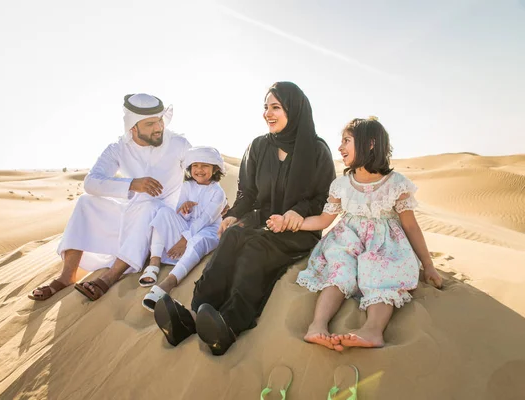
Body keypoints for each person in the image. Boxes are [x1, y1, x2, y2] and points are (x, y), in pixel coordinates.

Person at [153, 82, 336, 355]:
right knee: (233, 236)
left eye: (275, 107)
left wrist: (296, 212)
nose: (267, 113)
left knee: (254, 247)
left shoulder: (317, 150)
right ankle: (193, 315)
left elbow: (324, 197)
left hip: (299, 229)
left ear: (294, 109)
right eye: (265, 107)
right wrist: (233, 215)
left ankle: (230, 323)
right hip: (260, 219)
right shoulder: (259, 147)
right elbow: (247, 193)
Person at [270, 117, 443, 350]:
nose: (340, 147)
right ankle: (317, 325)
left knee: (380, 273)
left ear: (370, 144)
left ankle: (372, 330)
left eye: (346, 141)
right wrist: (291, 223)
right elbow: (324, 220)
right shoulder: (341, 185)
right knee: (340, 270)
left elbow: (411, 226)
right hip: (346, 239)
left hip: (384, 243)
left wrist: (428, 265)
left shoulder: (396, 184)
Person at [28, 93, 191, 301]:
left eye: (159, 121)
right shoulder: (118, 149)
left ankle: (110, 277)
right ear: (133, 127)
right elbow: (91, 183)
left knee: (148, 205)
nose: (158, 127)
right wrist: (132, 184)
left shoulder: (178, 144)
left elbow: (202, 174)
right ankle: (66, 276)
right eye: (150, 124)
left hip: (165, 221)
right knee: (86, 202)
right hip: (133, 211)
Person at [140, 146, 227, 312]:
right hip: (187, 227)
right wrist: (186, 209)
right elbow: (180, 213)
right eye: (195, 165)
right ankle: (154, 263)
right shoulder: (187, 186)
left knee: (196, 240)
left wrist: (183, 240)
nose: (199, 170)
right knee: (163, 212)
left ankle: (167, 284)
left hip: (208, 232)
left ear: (215, 169)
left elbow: (204, 220)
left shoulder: (218, 192)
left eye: (205, 166)